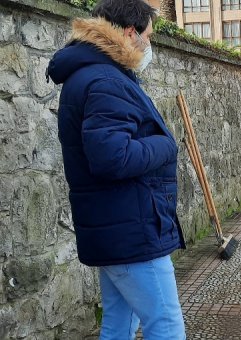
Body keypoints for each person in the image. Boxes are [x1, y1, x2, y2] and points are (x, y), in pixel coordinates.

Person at [47, 0, 186, 338]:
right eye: (148, 36)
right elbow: (113, 157)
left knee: (119, 325)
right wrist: (166, 144)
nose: (149, 45)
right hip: (131, 231)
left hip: (116, 227)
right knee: (166, 326)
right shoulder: (106, 79)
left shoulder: (96, 73)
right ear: (129, 32)